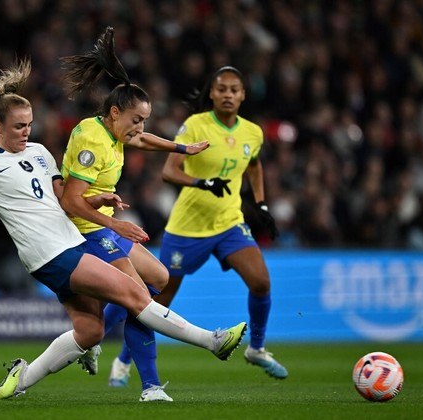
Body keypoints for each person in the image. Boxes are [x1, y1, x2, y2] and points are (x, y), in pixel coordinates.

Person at [0, 59, 247, 401]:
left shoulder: (39, 151)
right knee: (135, 294)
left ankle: (20, 381)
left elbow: (61, 195)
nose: (26, 132)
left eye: (29, 124)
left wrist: (98, 199)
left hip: (69, 242)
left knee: (90, 332)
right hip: (50, 253)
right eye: (18, 126)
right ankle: (211, 342)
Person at [108, 66, 288, 384]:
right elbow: (169, 171)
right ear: (213, 93)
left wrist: (260, 204)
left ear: (243, 95)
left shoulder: (252, 132)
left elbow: (255, 165)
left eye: (235, 89)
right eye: (222, 89)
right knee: (158, 299)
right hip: (188, 228)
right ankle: (124, 359)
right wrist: (203, 183)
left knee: (261, 281)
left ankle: (257, 348)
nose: (228, 94)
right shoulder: (196, 125)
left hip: (229, 223)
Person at [58, 27, 209, 402]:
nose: (141, 129)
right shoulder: (92, 140)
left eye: (145, 120)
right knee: (140, 294)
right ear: (113, 113)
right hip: (83, 229)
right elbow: (71, 201)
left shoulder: (115, 133)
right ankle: (151, 387)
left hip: (101, 226)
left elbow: (142, 139)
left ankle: (94, 338)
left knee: (158, 277)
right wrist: (115, 222)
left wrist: (182, 147)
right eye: (137, 119)